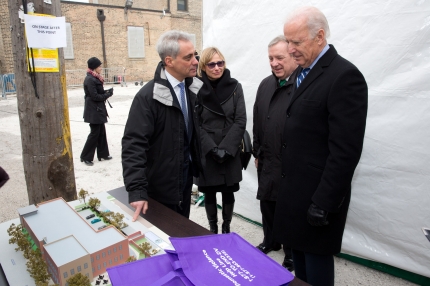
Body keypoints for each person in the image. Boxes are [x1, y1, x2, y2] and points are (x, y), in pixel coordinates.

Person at [273, 7, 368, 286]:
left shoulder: (344, 76)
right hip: (295, 191)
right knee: (300, 264)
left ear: (320, 36)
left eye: (296, 42)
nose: (290, 50)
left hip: (318, 196)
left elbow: (345, 150)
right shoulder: (303, 72)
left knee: (316, 266)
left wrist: (324, 202)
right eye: (287, 42)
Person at [122, 30, 203, 221]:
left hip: (184, 183)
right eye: (188, 57)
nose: (196, 61)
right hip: (159, 191)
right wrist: (137, 191)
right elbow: (134, 145)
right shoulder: (147, 97)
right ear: (169, 61)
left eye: (195, 55)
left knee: (181, 231)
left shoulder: (192, 88)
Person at [252, 36, 297, 271]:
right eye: (271, 58)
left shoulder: (301, 84)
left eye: (280, 57)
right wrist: (256, 151)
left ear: (293, 56)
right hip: (266, 158)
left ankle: (290, 252)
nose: (274, 63)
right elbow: (257, 118)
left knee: (286, 208)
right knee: (267, 204)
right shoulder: (265, 84)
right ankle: (270, 240)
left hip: (288, 163)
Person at [195, 47, 246, 234]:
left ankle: (226, 228)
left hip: (229, 147)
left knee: (228, 191)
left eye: (220, 63)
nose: (217, 68)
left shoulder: (235, 87)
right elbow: (195, 123)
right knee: (209, 192)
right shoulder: (196, 88)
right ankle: (212, 229)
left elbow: (240, 120)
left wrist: (226, 148)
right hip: (207, 149)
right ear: (204, 66)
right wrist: (212, 148)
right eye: (212, 64)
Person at [80, 57, 113, 166]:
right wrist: (107, 94)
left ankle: (103, 154)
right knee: (94, 134)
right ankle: (85, 156)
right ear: (94, 68)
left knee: (101, 132)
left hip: (98, 109)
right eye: (99, 66)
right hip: (93, 110)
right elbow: (94, 96)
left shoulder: (95, 78)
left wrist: (106, 92)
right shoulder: (90, 79)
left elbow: (99, 92)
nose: (101, 68)